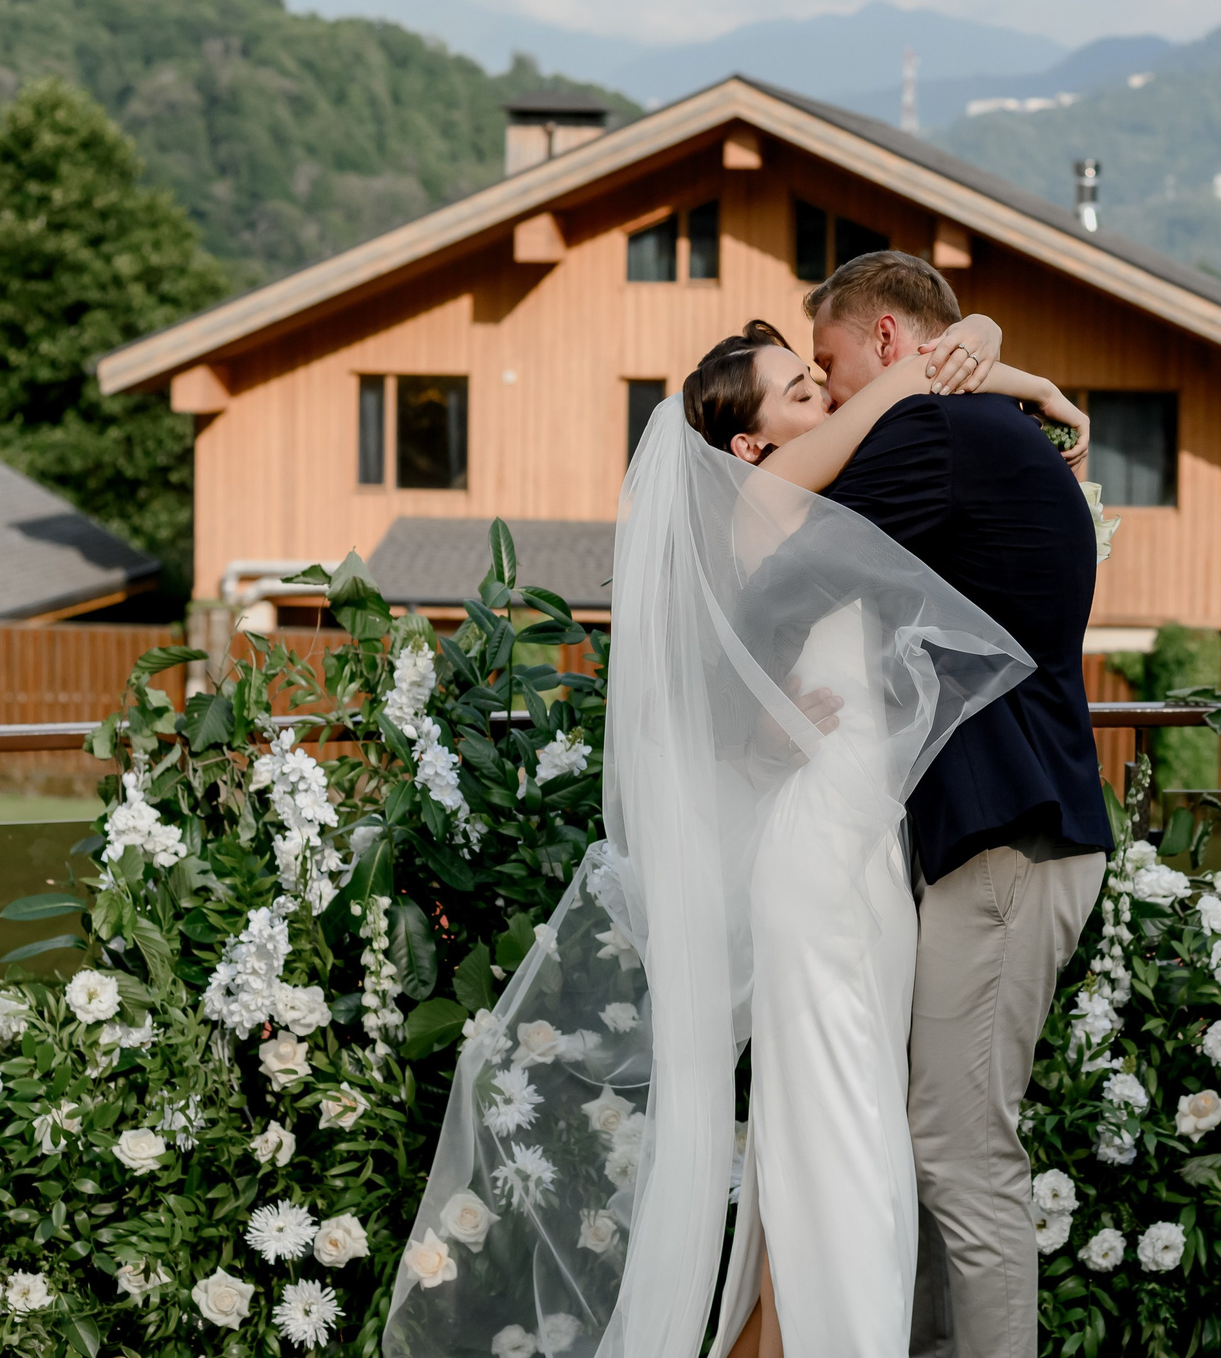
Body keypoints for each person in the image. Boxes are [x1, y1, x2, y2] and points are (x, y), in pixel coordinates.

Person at [383, 307, 1086, 1358]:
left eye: (821, 374)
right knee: (847, 1136)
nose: (829, 395)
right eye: (803, 390)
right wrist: (989, 353)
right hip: (825, 871)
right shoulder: (772, 494)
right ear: (751, 445)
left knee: (834, 1137)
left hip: (865, 860)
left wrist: (1012, 368)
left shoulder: (824, 503)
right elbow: (902, 390)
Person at [802, 254, 1110, 1358]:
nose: (829, 397)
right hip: (1003, 839)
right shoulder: (982, 430)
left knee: (962, 1146)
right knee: (937, 1138)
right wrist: (1019, 371)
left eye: (831, 368)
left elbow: (782, 548)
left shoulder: (930, 436)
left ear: (888, 344)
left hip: (1008, 843)